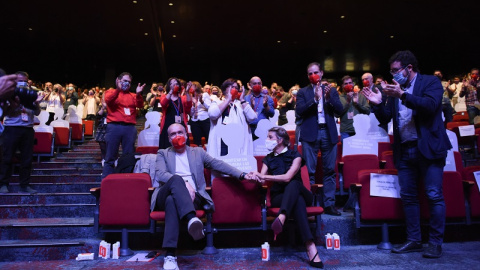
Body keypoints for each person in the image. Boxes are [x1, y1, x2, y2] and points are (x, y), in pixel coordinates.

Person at [362, 50, 452, 258]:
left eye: (396, 71)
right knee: (409, 197)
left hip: (428, 148)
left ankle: (435, 243)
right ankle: (414, 240)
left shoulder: (430, 83)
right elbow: (387, 118)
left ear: (408, 68)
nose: (393, 75)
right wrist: (377, 103)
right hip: (405, 149)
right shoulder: (396, 91)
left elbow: (430, 106)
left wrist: (402, 95)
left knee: (434, 195)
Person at [152, 123, 256, 270]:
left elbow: (218, 164)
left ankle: (170, 255)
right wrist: (184, 182)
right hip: (167, 192)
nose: (177, 136)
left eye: (180, 132)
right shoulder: (163, 153)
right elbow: (161, 174)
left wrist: (242, 174)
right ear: (169, 139)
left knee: (172, 202)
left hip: (192, 198)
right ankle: (191, 219)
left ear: (186, 134)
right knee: (174, 184)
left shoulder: (198, 152)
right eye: (173, 134)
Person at [253, 127, 323, 268]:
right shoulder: (268, 159)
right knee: (297, 201)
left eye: (270, 137)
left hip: (301, 191)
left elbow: (287, 178)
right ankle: (310, 246)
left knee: (294, 183)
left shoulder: (295, 155)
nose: (267, 140)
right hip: (279, 197)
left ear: (280, 140)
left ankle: (282, 216)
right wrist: (253, 176)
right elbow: (261, 179)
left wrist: (264, 176)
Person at [295, 62, 343, 216]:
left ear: (321, 73)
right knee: (309, 170)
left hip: (328, 132)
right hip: (310, 133)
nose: (313, 75)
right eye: (310, 73)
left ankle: (329, 204)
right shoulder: (302, 92)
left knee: (329, 170)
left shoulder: (331, 90)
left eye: (315, 72)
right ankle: (310, 203)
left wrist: (328, 99)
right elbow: (299, 112)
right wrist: (315, 100)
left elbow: (340, 111)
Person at [0, 71, 43, 194]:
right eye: (20, 80)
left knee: (27, 159)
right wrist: (15, 104)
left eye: (25, 80)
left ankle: (25, 185)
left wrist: (36, 103)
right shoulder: (9, 93)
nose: (22, 83)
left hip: (28, 128)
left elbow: (37, 113)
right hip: (11, 128)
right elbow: (5, 113)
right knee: (7, 157)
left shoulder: (31, 93)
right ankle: (3, 184)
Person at [101, 72, 145, 179]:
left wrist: (139, 94)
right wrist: (118, 89)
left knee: (129, 156)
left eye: (129, 82)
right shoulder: (110, 92)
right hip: (114, 127)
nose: (127, 84)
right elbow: (108, 100)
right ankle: (106, 182)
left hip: (129, 128)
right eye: (124, 81)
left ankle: (127, 179)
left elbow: (140, 105)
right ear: (118, 80)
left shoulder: (133, 95)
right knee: (110, 156)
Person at [207, 78, 257, 158]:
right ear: (224, 89)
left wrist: (242, 99)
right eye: (231, 87)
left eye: (236, 88)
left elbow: (252, 117)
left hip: (239, 141)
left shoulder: (242, 104)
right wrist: (228, 100)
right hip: (222, 141)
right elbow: (213, 114)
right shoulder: (217, 102)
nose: (234, 89)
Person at [159, 78, 192, 149]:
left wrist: (187, 92)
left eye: (176, 84)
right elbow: (163, 103)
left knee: (182, 146)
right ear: (168, 86)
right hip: (167, 125)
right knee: (167, 147)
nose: (175, 85)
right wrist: (170, 91)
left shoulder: (182, 98)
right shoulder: (164, 96)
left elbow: (189, 105)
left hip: (180, 124)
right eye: (172, 84)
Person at [337, 75, 370, 142]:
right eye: (346, 84)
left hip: (360, 130)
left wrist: (358, 104)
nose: (348, 85)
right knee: (346, 152)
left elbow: (368, 112)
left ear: (353, 84)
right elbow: (337, 114)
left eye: (350, 83)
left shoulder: (360, 96)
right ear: (342, 86)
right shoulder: (339, 98)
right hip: (345, 131)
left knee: (360, 152)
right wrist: (348, 102)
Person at [189, 81, 211, 146]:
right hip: (194, 120)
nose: (191, 88)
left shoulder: (205, 95)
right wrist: (193, 105)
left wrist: (202, 101)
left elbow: (209, 107)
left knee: (208, 139)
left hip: (205, 119)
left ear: (197, 87)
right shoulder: (189, 97)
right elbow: (190, 113)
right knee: (196, 141)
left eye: (193, 86)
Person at [95, 97, 107, 166]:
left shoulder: (114, 107)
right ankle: (104, 162)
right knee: (103, 149)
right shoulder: (100, 107)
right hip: (102, 130)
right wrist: (103, 108)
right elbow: (98, 116)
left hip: (111, 130)